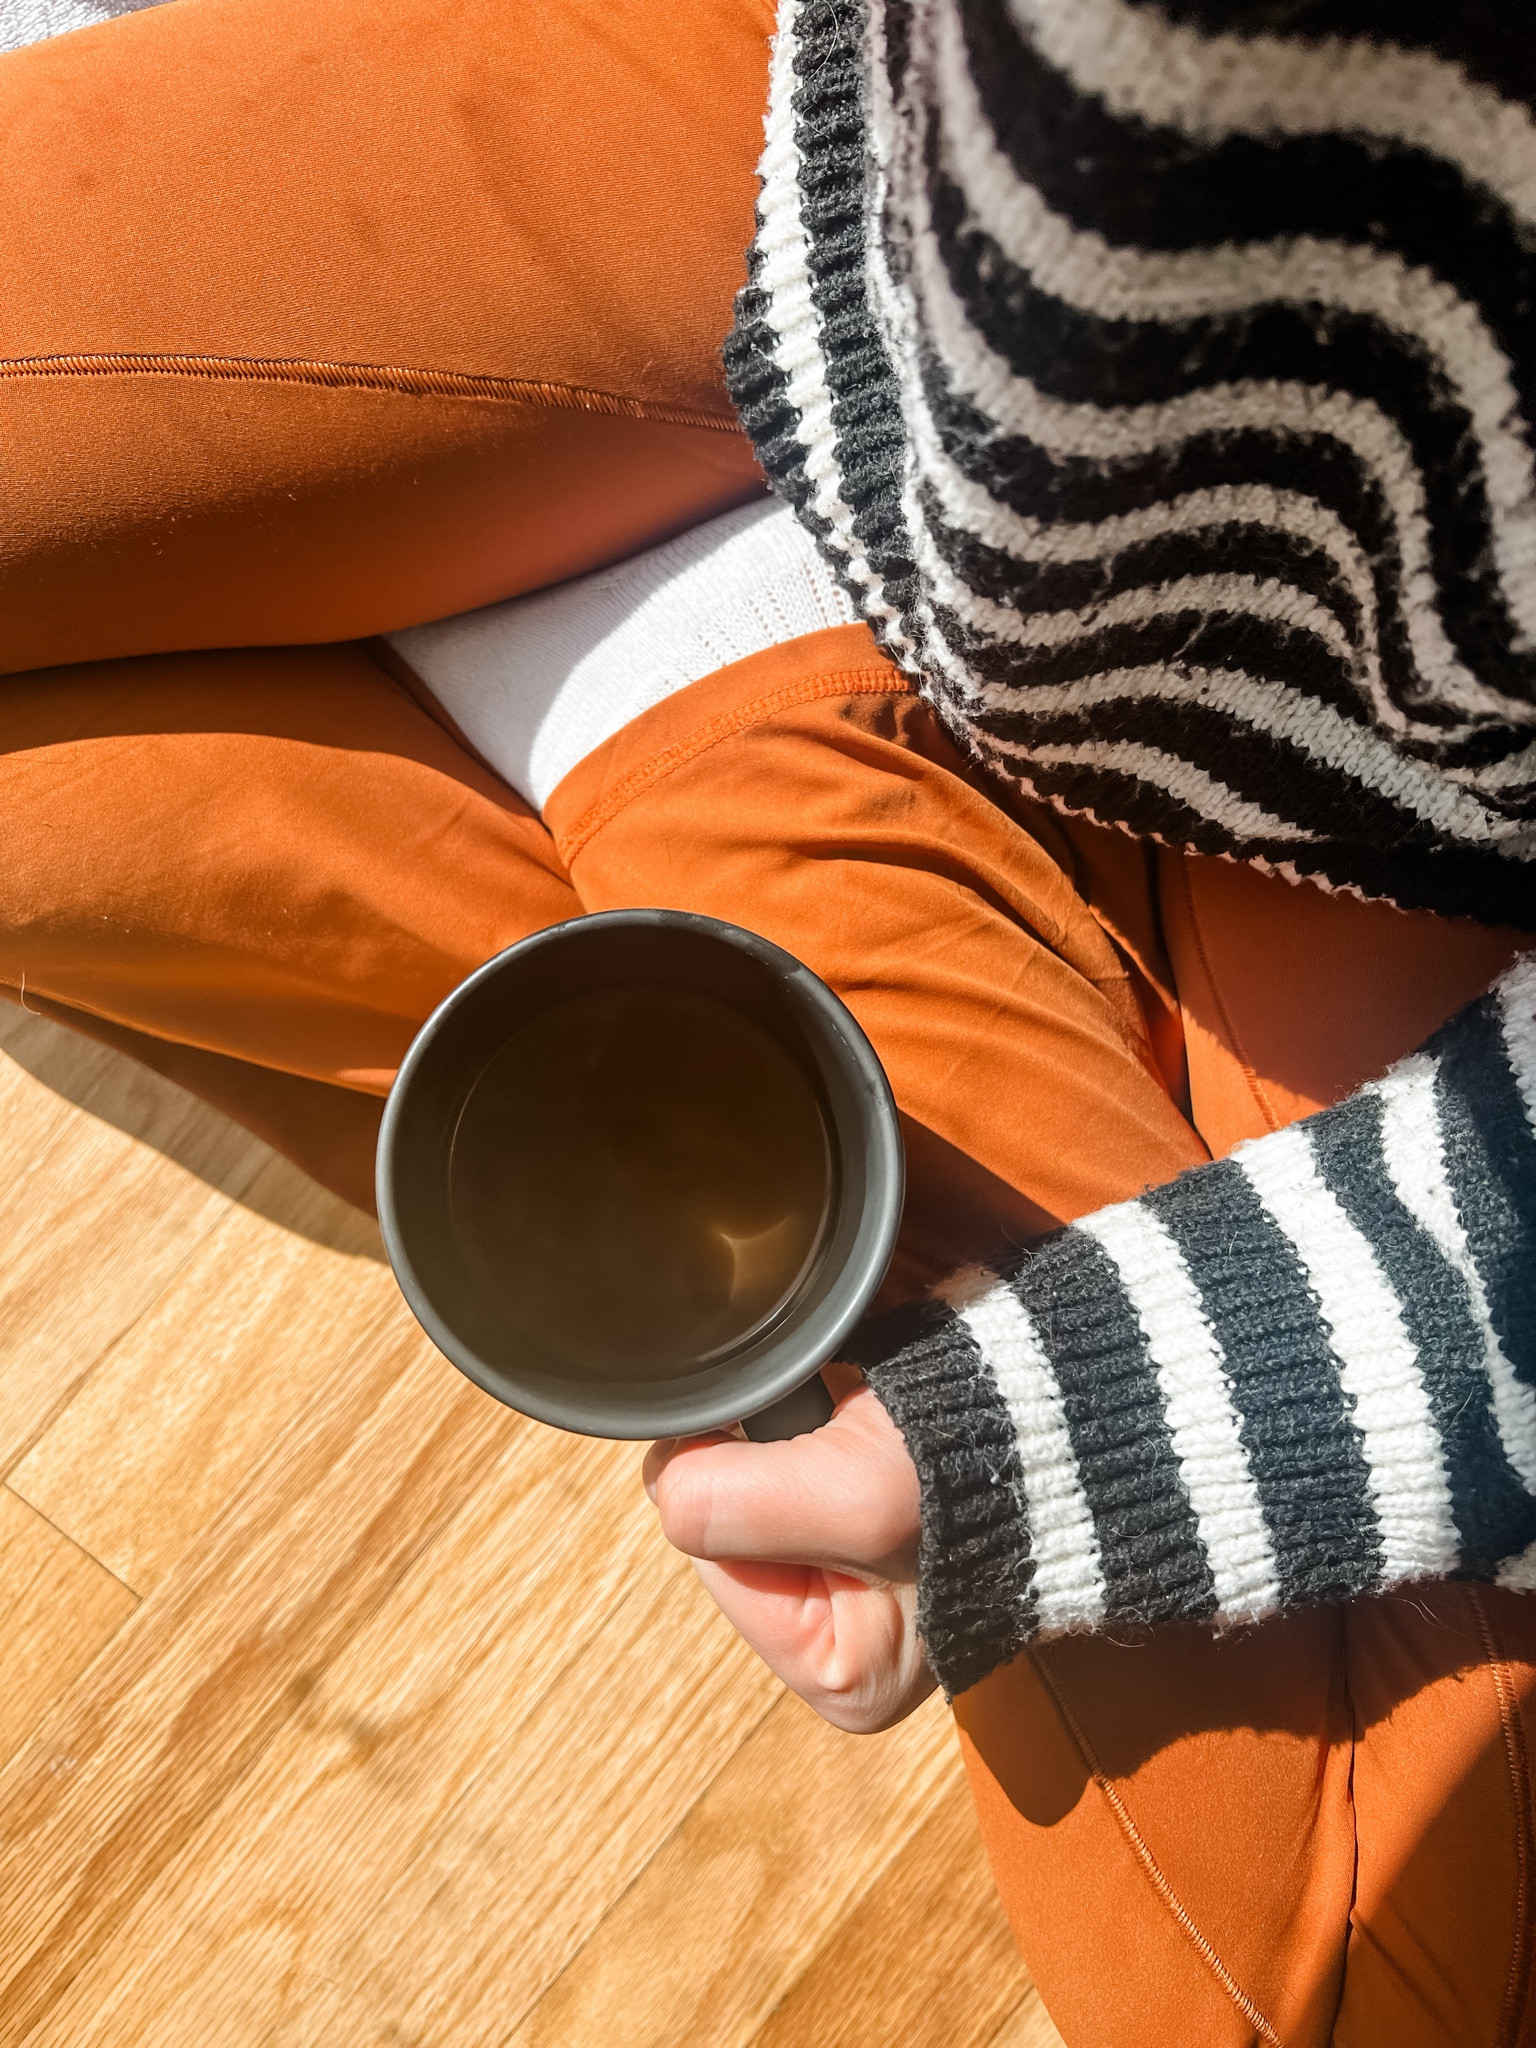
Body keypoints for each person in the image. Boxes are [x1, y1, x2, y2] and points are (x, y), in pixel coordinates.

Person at [1, 1, 1532, 2042]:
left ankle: (669, 763)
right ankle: (711, 792)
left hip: (1406, 741)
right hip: (871, 163)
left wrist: (1121, 1399)